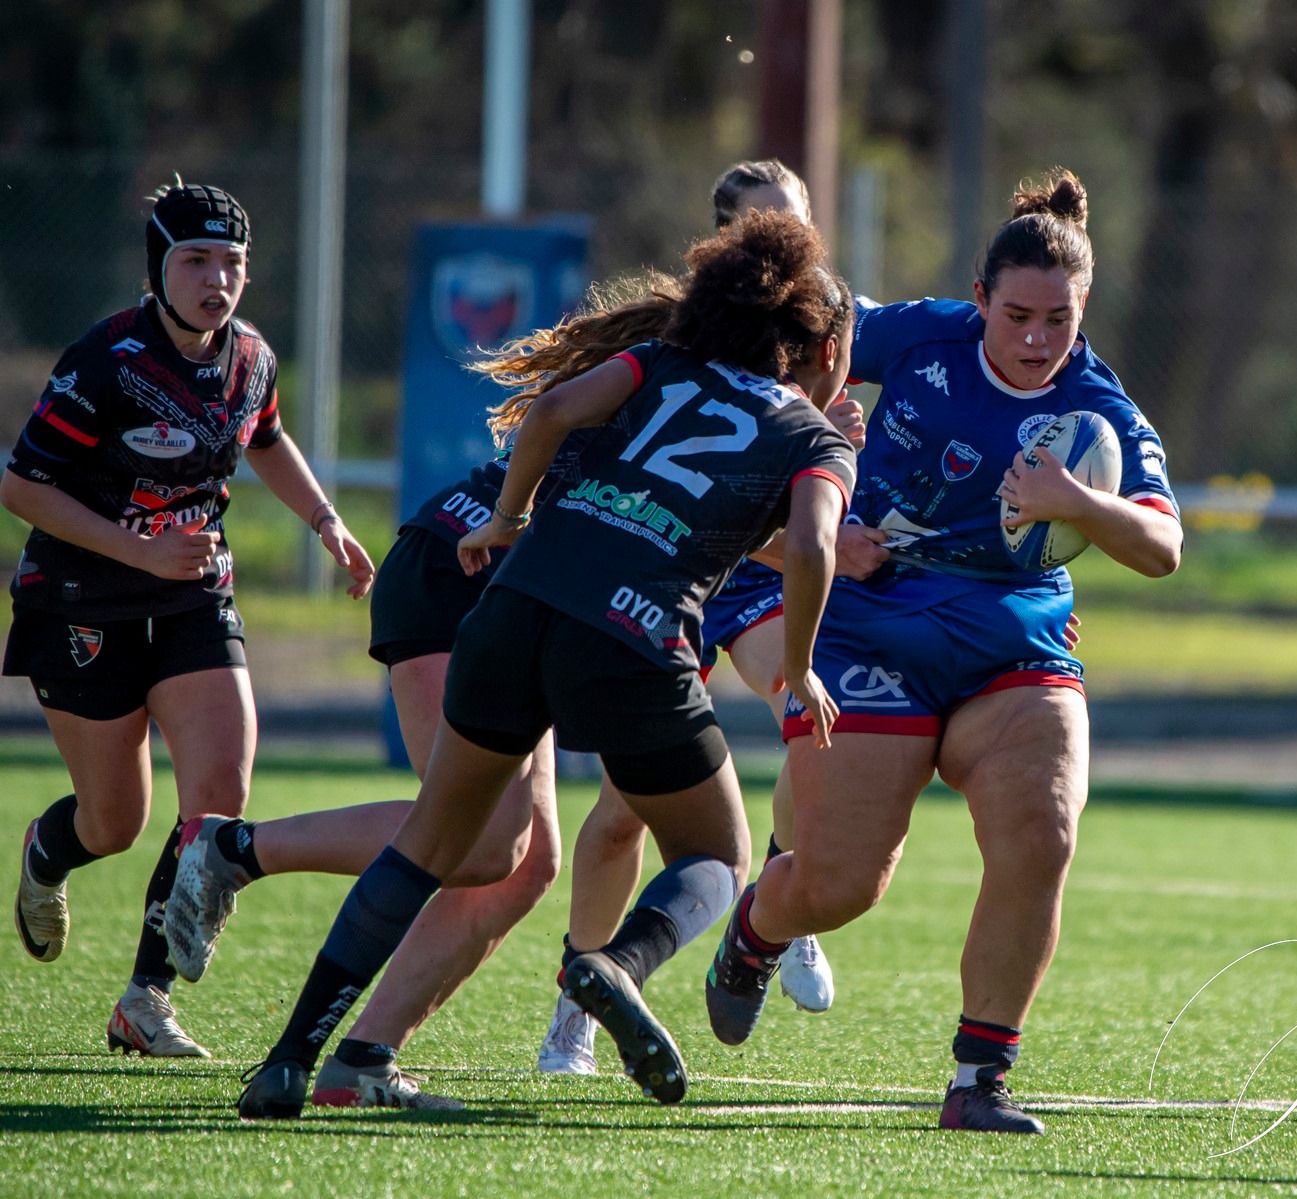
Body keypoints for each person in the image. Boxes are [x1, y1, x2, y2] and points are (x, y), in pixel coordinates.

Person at [236, 209, 858, 1119]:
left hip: (513, 607)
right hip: (631, 637)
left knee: (429, 844)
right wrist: (798, 663)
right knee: (715, 850)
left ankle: (295, 1060)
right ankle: (614, 963)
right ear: (827, 348)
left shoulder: (661, 360)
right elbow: (811, 548)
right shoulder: (815, 435)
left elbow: (557, 407)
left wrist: (505, 521)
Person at [701, 169, 1183, 1135]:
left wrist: (1077, 503)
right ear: (979, 301)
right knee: (839, 886)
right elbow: (784, 350)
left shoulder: (1099, 411)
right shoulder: (916, 335)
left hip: (1015, 639)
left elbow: (1163, 547)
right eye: (1017, 316)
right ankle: (752, 937)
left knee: (1042, 833)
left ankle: (979, 1078)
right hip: (869, 624)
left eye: (1059, 318)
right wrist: (814, 476)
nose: (1039, 339)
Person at [159, 275, 680, 1107]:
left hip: (515, 598)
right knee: (479, 842)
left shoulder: (690, 386)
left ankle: (365, 1057)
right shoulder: (682, 388)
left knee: (523, 863)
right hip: (459, 576)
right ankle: (230, 850)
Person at [5, 179, 375, 1058]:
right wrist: (136, 550)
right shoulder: (105, 360)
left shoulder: (251, 358)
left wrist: (326, 523)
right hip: (78, 602)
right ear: (158, 267)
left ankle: (145, 998)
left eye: (233, 263)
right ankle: (46, 853)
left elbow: (267, 437)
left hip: (191, 596)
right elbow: (21, 484)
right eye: (197, 260)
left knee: (218, 798)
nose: (217, 279)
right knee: (115, 822)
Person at [536, 159, 877, 1072]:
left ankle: (780, 892)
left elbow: (902, 395)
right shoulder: (679, 328)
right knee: (620, 816)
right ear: (721, 238)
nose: (787, 246)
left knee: (808, 713)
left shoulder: (833, 318)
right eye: (764, 225)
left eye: (798, 224)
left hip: (753, 565)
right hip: (667, 565)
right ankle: (577, 996)